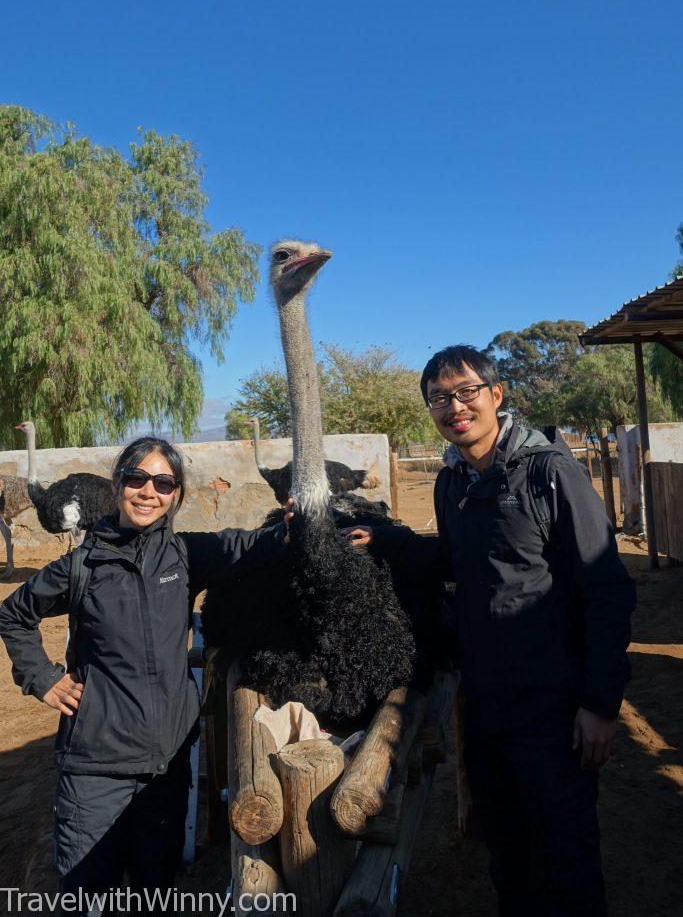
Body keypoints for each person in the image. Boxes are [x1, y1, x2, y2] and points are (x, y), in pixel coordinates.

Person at [344, 345, 636, 917]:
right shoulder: (453, 484)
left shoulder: (551, 473)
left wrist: (601, 704)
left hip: (552, 707)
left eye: (465, 392)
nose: (454, 407)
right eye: (439, 399)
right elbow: (454, 566)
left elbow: (606, 590)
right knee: (507, 850)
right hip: (485, 705)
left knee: (564, 857)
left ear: (495, 395)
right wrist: (390, 542)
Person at [0, 436, 292, 912]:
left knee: (154, 895)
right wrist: (43, 678)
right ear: (118, 485)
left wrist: (306, 523)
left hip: (166, 768)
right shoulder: (82, 566)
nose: (147, 491)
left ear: (176, 494)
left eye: (162, 482)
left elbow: (254, 544)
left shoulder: (183, 555)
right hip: (96, 769)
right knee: (88, 899)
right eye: (136, 478)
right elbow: (14, 613)